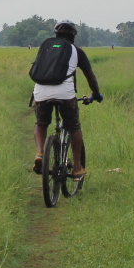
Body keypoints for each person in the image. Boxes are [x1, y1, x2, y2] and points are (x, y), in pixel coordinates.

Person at [31, 20, 102, 177]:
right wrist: (96, 94)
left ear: (55, 34)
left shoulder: (45, 47)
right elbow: (90, 77)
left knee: (41, 123)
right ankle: (77, 167)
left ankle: (40, 153)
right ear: (74, 36)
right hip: (65, 93)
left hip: (41, 91)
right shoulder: (77, 51)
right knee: (74, 127)